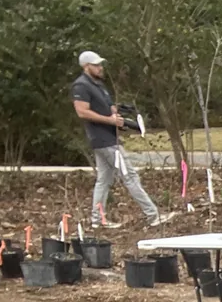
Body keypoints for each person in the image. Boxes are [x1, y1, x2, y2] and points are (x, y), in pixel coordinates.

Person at [70, 50, 172, 230]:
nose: (100, 68)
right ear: (86, 67)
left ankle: (97, 220)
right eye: (96, 65)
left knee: (104, 180)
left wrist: (118, 112)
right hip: (103, 139)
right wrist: (110, 120)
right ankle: (153, 215)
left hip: (109, 137)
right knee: (130, 176)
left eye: (100, 64)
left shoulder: (99, 85)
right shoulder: (81, 86)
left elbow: (108, 108)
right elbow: (82, 111)